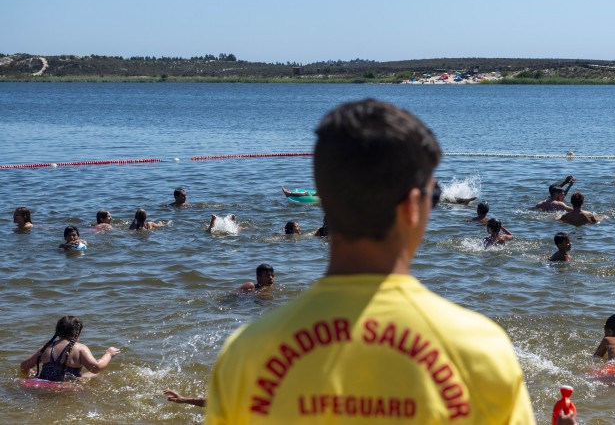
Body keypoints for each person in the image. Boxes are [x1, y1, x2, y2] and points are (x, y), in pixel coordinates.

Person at [205, 99, 536, 424]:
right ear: (412, 207)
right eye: (432, 197)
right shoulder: (481, 351)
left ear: (324, 196)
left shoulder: (245, 355)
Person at [20, 316, 120, 382]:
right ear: (80, 331)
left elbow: (24, 366)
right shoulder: (80, 348)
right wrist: (108, 354)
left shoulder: (46, 348)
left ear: (57, 331)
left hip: (44, 383)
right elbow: (96, 368)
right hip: (65, 387)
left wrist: (31, 374)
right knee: (94, 374)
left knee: (88, 375)